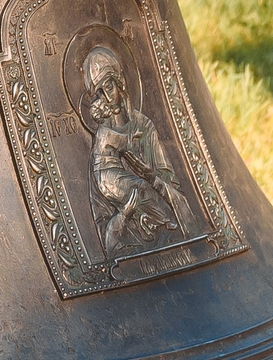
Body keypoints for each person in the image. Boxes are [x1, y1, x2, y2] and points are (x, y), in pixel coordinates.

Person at [80, 44, 192, 254]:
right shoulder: (101, 144)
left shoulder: (145, 128)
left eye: (109, 87)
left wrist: (152, 178)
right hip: (128, 246)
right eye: (100, 93)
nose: (107, 98)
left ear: (120, 82)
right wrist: (124, 214)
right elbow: (102, 223)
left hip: (167, 237)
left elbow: (178, 196)